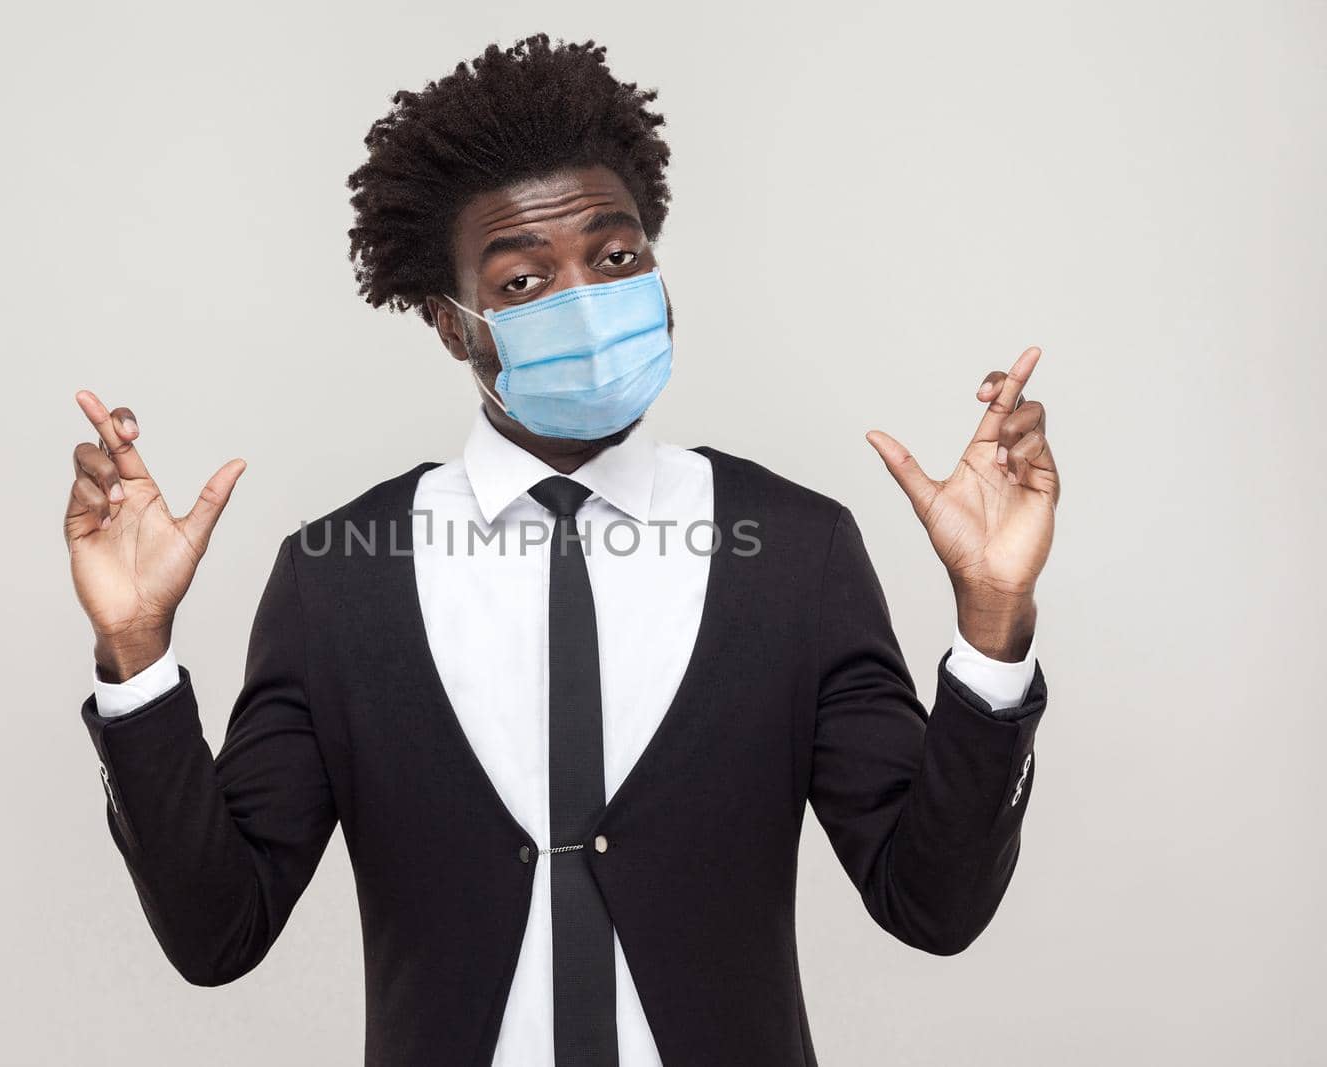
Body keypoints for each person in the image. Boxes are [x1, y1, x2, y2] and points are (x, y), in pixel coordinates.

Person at [63, 34, 1057, 1067]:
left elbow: (931, 903)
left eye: (616, 257)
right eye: (526, 279)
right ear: (453, 328)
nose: (586, 297)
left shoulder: (795, 552)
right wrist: (136, 650)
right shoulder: (340, 577)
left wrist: (992, 620)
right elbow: (217, 930)